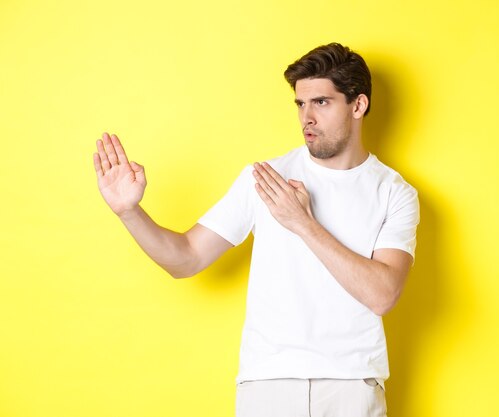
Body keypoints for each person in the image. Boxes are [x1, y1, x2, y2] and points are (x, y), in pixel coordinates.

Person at [93, 42, 419, 417]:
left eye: (322, 102)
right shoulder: (264, 178)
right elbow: (185, 259)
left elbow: (382, 294)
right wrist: (129, 212)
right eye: (300, 104)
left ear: (358, 105)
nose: (306, 118)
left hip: (351, 384)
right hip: (268, 384)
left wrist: (303, 224)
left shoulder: (394, 192)